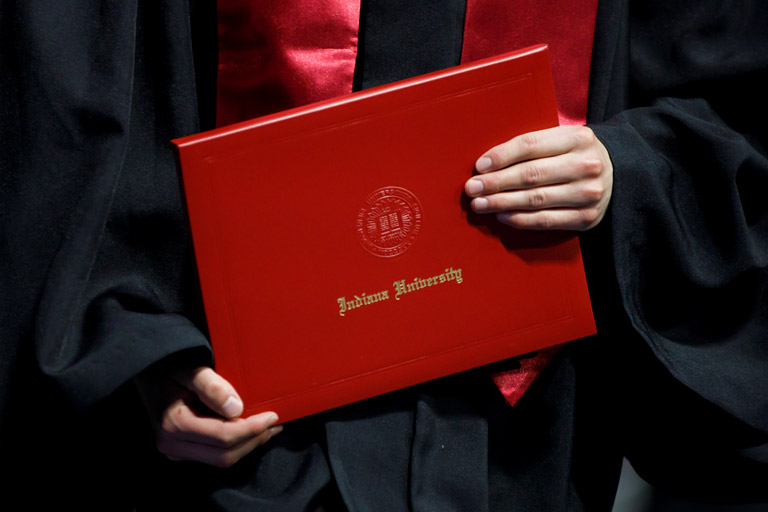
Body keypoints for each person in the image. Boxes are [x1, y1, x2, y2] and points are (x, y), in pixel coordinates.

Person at [1, 0, 767, 510]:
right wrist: (125, 344)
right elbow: (68, 108)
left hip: (528, 435)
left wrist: (627, 170)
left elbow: (732, 92)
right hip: (242, 433)